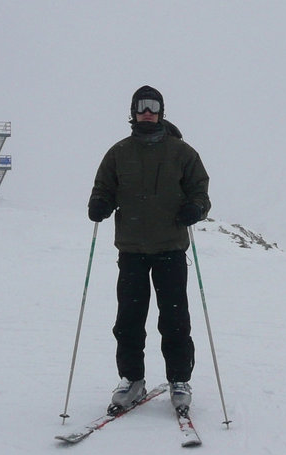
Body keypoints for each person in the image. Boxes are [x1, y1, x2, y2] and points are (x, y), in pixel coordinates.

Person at [88, 86, 211, 415]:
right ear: (133, 110)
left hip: (170, 248)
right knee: (128, 319)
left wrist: (195, 207)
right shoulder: (119, 153)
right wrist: (99, 202)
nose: (147, 111)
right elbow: (104, 187)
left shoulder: (182, 153)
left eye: (152, 106)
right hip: (131, 250)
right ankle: (132, 379)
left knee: (174, 320)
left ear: (161, 111)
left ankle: (180, 381)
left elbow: (200, 189)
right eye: (141, 106)